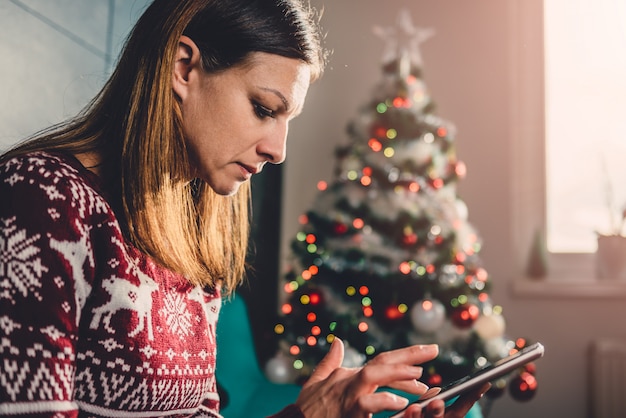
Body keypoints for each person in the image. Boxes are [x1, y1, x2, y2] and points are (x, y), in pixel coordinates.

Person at [0, 0, 489, 417]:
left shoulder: (190, 241)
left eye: (286, 120)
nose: (278, 150)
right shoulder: (43, 199)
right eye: (263, 108)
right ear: (183, 68)